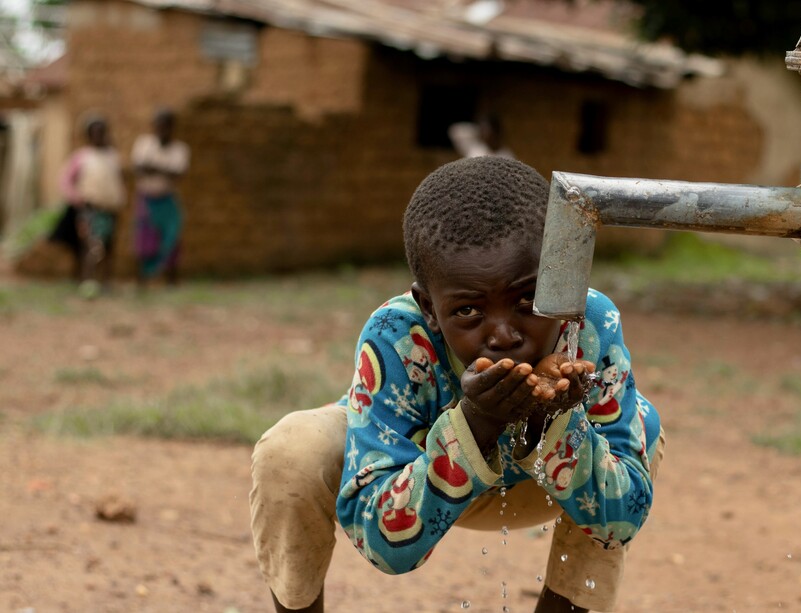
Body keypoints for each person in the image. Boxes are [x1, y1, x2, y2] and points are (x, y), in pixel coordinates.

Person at [249, 156, 664, 613]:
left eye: (527, 299)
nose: (503, 335)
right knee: (290, 450)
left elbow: (621, 521)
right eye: (468, 311)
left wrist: (554, 426)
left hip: (545, 483)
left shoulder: (587, 325)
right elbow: (386, 548)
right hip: (423, 480)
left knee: (641, 423)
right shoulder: (398, 338)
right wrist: (476, 422)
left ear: (559, 281)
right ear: (428, 307)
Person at [53, 116, 126, 297]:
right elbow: (64, 181)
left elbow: (119, 180)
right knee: (92, 246)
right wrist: (77, 198)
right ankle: (87, 281)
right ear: (88, 135)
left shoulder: (113, 156)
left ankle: (106, 282)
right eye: (95, 132)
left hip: (110, 209)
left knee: (109, 247)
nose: (99, 136)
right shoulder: (82, 157)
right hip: (90, 209)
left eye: (102, 132)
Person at [131, 108, 189, 286]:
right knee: (144, 240)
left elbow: (178, 173)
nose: (161, 129)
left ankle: (171, 280)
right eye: (158, 125)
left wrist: (154, 168)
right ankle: (142, 281)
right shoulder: (145, 143)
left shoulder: (180, 148)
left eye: (165, 126)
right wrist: (164, 170)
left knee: (171, 238)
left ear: (172, 127)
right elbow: (139, 168)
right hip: (146, 199)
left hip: (167, 199)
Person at [448, 112, 515, 159]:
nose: (484, 134)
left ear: (496, 132)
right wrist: (477, 130)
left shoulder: (506, 155)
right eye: (482, 130)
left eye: (487, 130)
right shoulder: (474, 147)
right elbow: (454, 131)